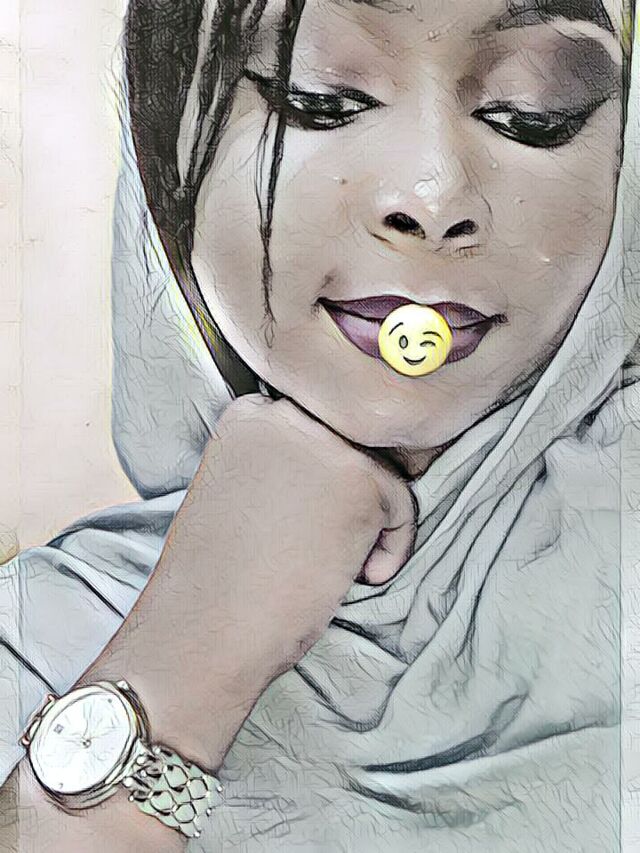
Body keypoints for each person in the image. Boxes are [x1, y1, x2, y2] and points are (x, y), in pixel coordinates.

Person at [2, 0, 639, 849]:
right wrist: (174, 669)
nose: (431, 196)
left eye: (531, 114)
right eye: (318, 100)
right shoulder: (41, 627)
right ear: (163, 157)